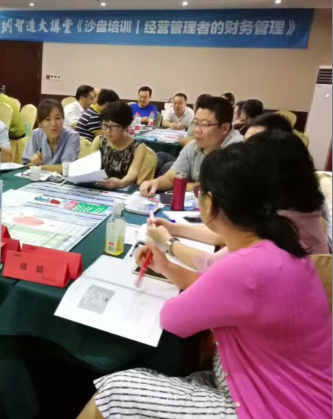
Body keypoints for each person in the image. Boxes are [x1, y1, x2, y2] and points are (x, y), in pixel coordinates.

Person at [79, 143, 332, 419]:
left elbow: (174, 319)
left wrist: (170, 253)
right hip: (281, 389)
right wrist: (165, 266)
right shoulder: (279, 243)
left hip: (273, 407)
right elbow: (219, 289)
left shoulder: (245, 266)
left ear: (209, 204)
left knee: (115, 390)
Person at [149, 130, 329, 274]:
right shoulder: (300, 208)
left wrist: (169, 242)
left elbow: (211, 265)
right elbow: (226, 236)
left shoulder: (279, 224)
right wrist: (174, 228)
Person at [140, 96, 243, 196]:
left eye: (204, 124)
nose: (196, 130)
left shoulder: (238, 151)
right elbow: (171, 177)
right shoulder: (193, 146)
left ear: (224, 128)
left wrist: (182, 185)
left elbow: (219, 189)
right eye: (196, 123)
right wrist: (155, 183)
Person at [88, 101, 150, 190]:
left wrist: (120, 183)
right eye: (105, 125)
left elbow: (131, 176)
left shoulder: (138, 147)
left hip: (122, 190)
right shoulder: (99, 141)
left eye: (113, 126)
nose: (108, 131)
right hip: (98, 188)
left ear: (126, 126)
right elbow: (90, 167)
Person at [22, 99, 80, 173]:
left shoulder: (72, 136)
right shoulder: (36, 134)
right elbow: (26, 164)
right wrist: (34, 162)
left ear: (63, 120)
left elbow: (67, 168)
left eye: (57, 118)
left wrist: (38, 167)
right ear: (40, 124)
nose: (53, 124)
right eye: (48, 119)